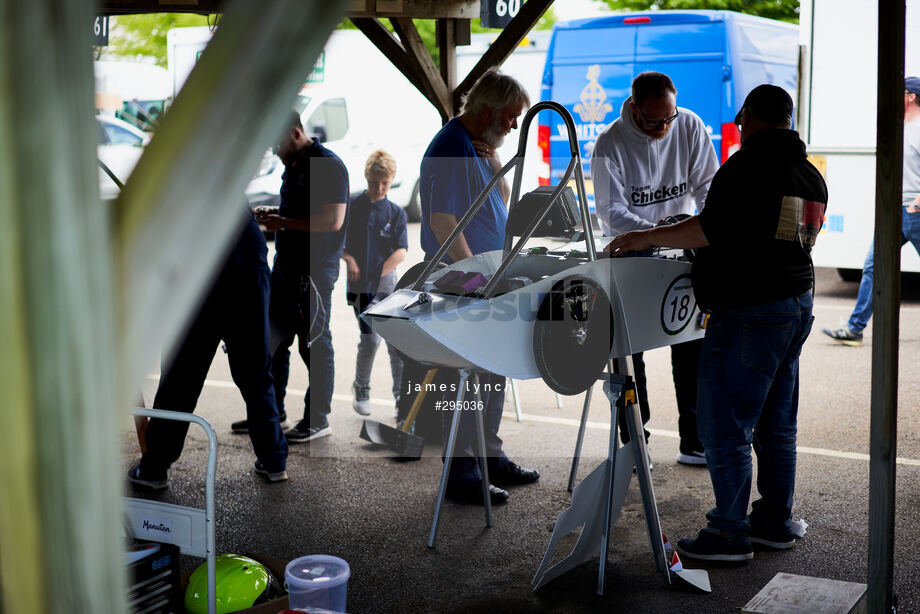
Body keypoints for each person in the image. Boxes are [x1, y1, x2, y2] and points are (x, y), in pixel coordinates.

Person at [606, 84, 827, 561]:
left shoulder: (745, 168)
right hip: (796, 303)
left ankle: (729, 531)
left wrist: (649, 237)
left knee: (724, 425)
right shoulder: (810, 175)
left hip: (748, 310)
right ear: (787, 119)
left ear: (749, 117)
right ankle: (774, 520)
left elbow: (709, 229)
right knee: (776, 423)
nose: (740, 126)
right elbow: (796, 238)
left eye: (743, 119)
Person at [419, 69, 539, 505]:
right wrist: (475, 278)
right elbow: (442, 222)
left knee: (492, 372)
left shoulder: (473, 145)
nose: (512, 125)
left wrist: (491, 161)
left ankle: (490, 456)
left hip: (486, 275)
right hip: (465, 280)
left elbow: (502, 196)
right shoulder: (452, 148)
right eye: (510, 117)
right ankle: (462, 471)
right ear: (487, 110)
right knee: (467, 379)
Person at [591, 71, 719, 465]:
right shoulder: (609, 143)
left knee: (692, 346)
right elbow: (610, 211)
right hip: (631, 255)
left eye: (669, 118)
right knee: (629, 353)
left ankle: (695, 440)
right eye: (653, 121)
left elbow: (708, 186)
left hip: (683, 254)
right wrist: (658, 234)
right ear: (633, 107)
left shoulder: (691, 125)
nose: (663, 128)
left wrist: (685, 233)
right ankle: (635, 441)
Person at [128, 210, 290, 489]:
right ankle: (274, 460)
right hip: (247, 257)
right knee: (255, 370)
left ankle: (155, 466)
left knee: (182, 373)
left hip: (202, 265)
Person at [230, 111, 349, 443]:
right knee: (272, 343)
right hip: (285, 268)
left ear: (296, 132)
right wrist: (277, 217)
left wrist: (283, 223)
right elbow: (299, 214)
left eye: (277, 142)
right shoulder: (292, 164)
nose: (274, 150)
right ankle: (273, 412)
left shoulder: (327, 164)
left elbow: (332, 220)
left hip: (314, 272)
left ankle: (317, 419)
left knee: (314, 346)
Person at [822, 76, 920, 346]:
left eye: (899, 92)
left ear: (911, 96)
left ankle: (855, 327)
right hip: (895, 213)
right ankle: (855, 328)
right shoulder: (902, 128)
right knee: (873, 267)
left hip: (915, 212)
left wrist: (918, 202)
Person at [342, 150, 408, 415]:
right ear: (366, 177)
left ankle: (401, 399)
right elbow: (339, 244)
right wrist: (350, 260)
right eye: (373, 182)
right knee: (370, 341)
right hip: (360, 288)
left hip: (387, 289)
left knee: (395, 345)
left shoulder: (396, 212)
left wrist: (378, 272)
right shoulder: (353, 206)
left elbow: (401, 251)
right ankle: (361, 388)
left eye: (384, 183)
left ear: (391, 181)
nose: (378, 188)